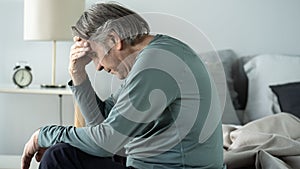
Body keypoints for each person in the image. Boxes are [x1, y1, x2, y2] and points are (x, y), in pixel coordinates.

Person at [21, 2, 224, 169]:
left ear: (113, 39)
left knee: (61, 157)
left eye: (94, 55)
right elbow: (101, 123)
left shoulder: (156, 63)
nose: (98, 67)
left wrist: (45, 135)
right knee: (73, 147)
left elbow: (106, 142)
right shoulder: (151, 57)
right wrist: (78, 74)